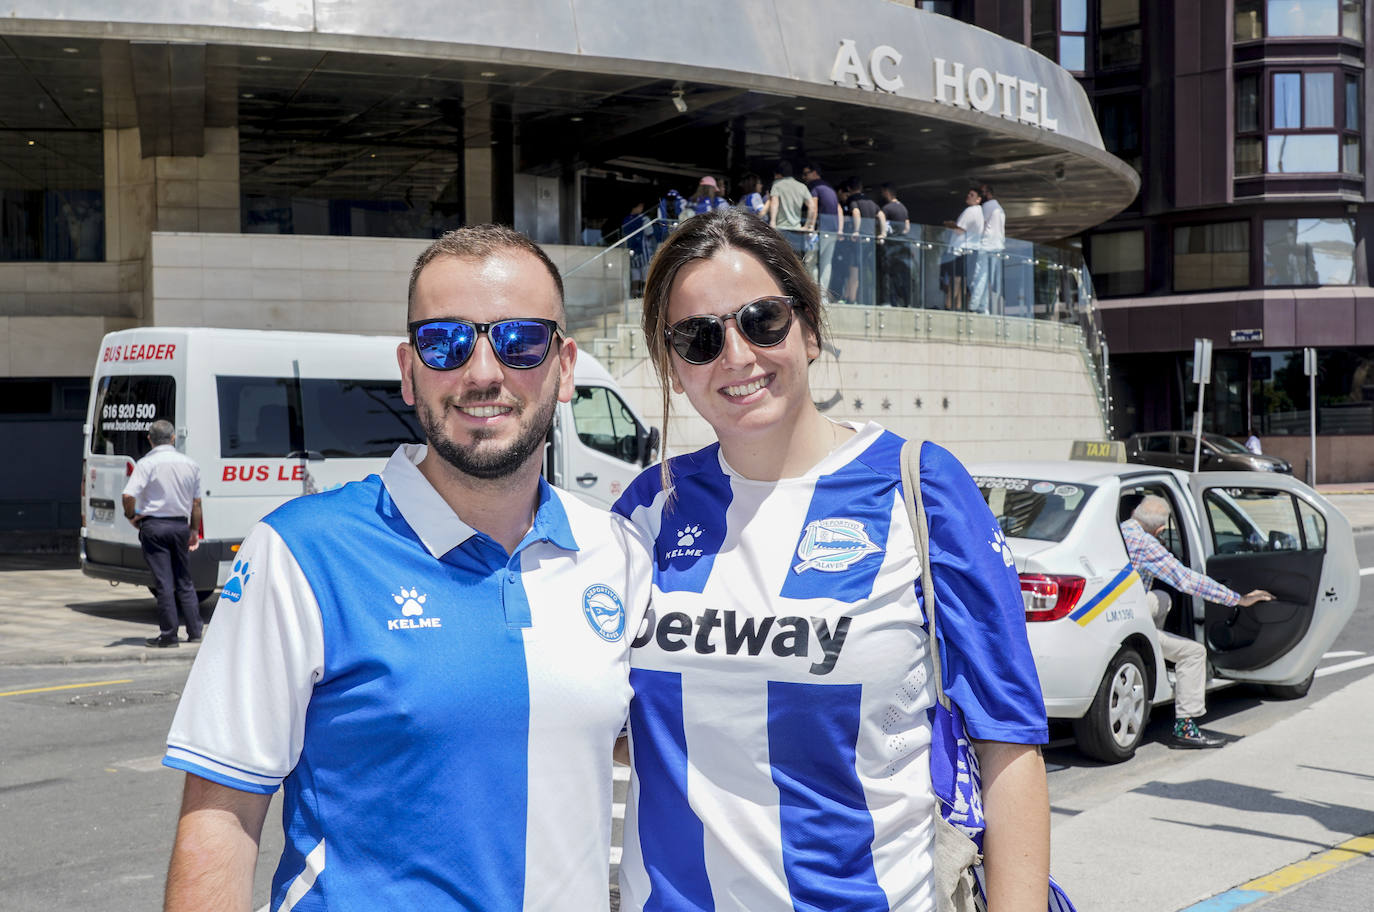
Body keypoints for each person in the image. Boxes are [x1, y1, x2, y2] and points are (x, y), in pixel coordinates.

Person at [160, 225, 651, 911]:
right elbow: (221, 815)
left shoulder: (619, 554)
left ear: (564, 368)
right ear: (408, 368)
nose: (483, 374)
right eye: (445, 343)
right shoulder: (302, 553)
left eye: (519, 341)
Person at [613, 208, 1050, 911]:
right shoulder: (647, 510)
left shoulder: (922, 489)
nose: (735, 356)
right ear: (674, 365)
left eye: (761, 320)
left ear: (809, 329)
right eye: (698, 338)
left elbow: (1008, 741)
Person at [1120, 495, 1273, 749]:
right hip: (1128, 621)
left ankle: (1154, 659)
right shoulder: (1147, 544)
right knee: (1194, 653)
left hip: (1119, 609)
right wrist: (1238, 599)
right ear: (1159, 530)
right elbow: (1187, 580)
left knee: (1162, 598)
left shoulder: (1122, 529)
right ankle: (1185, 729)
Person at [122, 419, 204, 647]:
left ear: (149, 439)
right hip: (180, 526)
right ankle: (195, 631)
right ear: (173, 438)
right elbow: (197, 503)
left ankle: (169, 635)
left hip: (155, 527)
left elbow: (128, 496)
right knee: (184, 580)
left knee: (164, 582)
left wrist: (132, 516)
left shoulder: (147, 464)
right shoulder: (190, 464)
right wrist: (194, 530)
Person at [840, 176, 883, 307]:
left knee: (853, 269)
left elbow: (856, 212)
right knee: (858, 269)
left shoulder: (852, 199)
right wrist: (883, 233)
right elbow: (881, 215)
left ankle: (851, 299)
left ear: (849, 188)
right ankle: (850, 297)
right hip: (869, 240)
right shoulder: (870, 201)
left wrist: (856, 230)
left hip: (858, 240)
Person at [802, 162, 843, 295]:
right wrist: (840, 229)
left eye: (806, 173)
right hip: (833, 230)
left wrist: (810, 227)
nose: (804, 177)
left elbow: (813, 207)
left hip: (821, 230)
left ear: (814, 173)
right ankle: (823, 296)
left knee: (810, 261)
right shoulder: (829, 187)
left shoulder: (814, 186)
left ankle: (812, 294)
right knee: (826, 263)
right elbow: (839, 209)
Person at [942, 187, 984, 310]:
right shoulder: (979, 212)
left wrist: (950, 225)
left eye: (971, 195)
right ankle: (959, 307)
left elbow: (960, 230)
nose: (968, 196)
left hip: (961, 250)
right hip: (971, 250)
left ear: (978, 199)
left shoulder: (970, 211)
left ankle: (949, 306)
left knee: (955, 279)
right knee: (963, 281)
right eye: (968, 194)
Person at [765, 160, 814, 260]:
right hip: (797, 230)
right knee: (796, 262)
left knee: (781, 261)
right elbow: (812, 207)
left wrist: (772, 223)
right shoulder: (802, 186)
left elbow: (775, 203)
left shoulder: (777, 185)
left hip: (781, 229)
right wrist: (807, 225)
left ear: (779, 173)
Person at [972, 183, 1006, 314]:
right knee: (990, 278)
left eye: (983, 192)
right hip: (998, 245)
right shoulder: (1000, 209)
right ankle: (983, 306)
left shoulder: (987, 206)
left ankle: (975, 305)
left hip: (986, 244)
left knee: (981, 275)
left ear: (988, 193)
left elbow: (982, 224)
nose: (981, 195)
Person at [878, 182, 913, 307]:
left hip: (891, 245)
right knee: (902, 275)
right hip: (903, 245)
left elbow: (881, 217)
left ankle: (890, 301)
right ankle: (906, 302)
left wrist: (882, 234)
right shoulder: (903, 208)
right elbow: (907, 228)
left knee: (889, 274)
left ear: (887, 192)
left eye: (883, 192)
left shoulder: (887, 208)